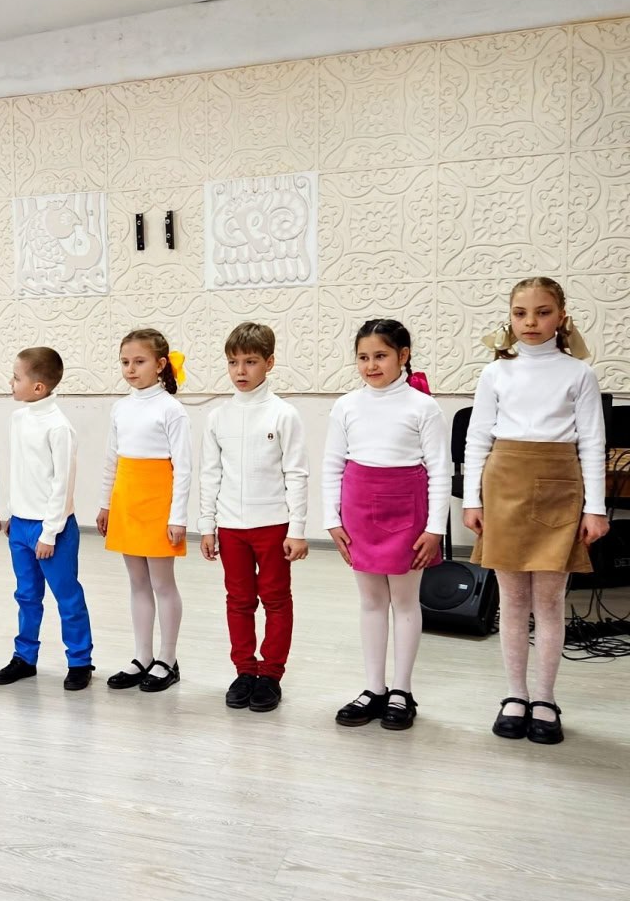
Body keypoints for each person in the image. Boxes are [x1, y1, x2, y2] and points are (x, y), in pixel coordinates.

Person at [463, 277, 608, 745]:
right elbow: (478, 438)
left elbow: (592, 443)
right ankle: (515, 694)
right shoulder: (495, 373)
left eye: (543, 312)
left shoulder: (578, 374)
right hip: (504, 485)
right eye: (521, 312)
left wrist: (595, 507)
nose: (531, 322)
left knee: (548, 601)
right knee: (511, 601)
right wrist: (472, 498)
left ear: (561, 317)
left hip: (559, 488)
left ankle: (544, 698)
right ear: (510, 317)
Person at [323, 319, 450, 730]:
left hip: (407, 513)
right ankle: (374, 688)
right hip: (359, 512)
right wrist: (332, 519)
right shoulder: (346, 406)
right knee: (371, 601)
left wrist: (435, 528)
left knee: (405, 601)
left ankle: (401, 690)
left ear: (403, 356)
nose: (371, 365)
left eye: (380, 356)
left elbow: (439, 470)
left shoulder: (423, 407)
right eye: (363, 357)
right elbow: (332, 465)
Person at [198, 323, 308, 712]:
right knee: (239, 600)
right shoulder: (218, 417)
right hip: (230, 528)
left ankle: (271, 674)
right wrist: (207, 525)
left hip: (273, 525)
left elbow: (296, 473)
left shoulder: (284, 414)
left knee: (276, 599)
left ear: (269, 363)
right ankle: (245, 670)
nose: (241, 371)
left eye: (250, 362)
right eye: (233, 363)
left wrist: (297, 529)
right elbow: (210, 473)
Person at [0, 347, 95, 692]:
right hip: (21, 524)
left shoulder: (59, 427)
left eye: (16, 377)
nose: (11, 382)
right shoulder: (18, 418)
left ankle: (80, 661)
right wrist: (12, 512)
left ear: (38, 387)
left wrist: (49, 533)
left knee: (67, 597)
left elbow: (62, 484)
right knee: (26, 595)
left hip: (53, 529)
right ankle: (25, 657)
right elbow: (20, 471)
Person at [97, 328, 191, 692]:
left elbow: (183, 468)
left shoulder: (171, 409)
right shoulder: (120, 407)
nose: (131, 369)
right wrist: (106, 503)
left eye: (139, 361)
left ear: (160, 364)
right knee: (137, 582)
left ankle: (168, 658)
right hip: (127, 499)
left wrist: (177, 517)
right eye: (125, 362)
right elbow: (111, 459)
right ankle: (142, 656)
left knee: (162, 583)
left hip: (158, 502)